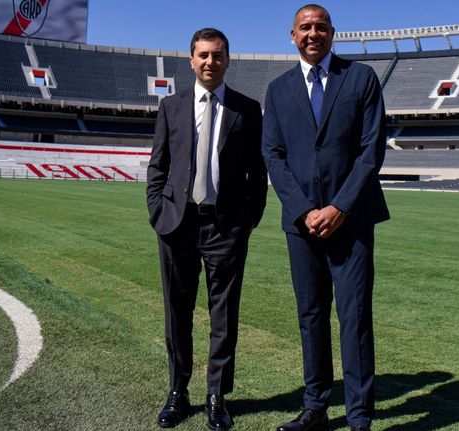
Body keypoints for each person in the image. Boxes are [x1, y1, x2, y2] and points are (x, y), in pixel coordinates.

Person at [262, 4, 389, 431]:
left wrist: (339, 207)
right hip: (302, 224)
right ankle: (315, 406)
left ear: (333, 33)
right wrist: (305, 211)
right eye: (305, 28)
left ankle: (359, 415)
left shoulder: (361, 78)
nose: (313, 34)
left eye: (320, 27)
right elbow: (273, 156)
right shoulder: (277, 90)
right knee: (311, 314)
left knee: (354, 317)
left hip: (350, 221)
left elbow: (371, 150)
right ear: (292, 35)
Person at [146, 27, 267, 431]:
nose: (210, 62)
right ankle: (177, 393)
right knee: (176, 313)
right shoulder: (171, 106)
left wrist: (246, 221)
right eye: (203, 55)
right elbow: (157, 166)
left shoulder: (247, 110)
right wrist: (156, 212)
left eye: (217, 55)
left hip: (225, 227)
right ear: (191, 60)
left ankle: (217, 396)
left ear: (228, 59)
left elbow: (257, 171)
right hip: (177, 224)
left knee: (224, 316)